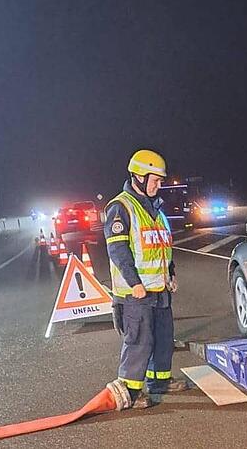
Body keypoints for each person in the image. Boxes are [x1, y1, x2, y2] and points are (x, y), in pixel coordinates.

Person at [104, 148, 188, 409]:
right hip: (136, 294)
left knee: (163, 338)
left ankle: (160, 381)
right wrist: (135, 283)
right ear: (139, 177)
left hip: (160, 289)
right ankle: (131, 390)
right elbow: (118, 250)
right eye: (156, 180)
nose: (159, 185)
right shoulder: (121, 208)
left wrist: (171, 274)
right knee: (139, 341)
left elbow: (163, 246)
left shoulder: (157, 210)